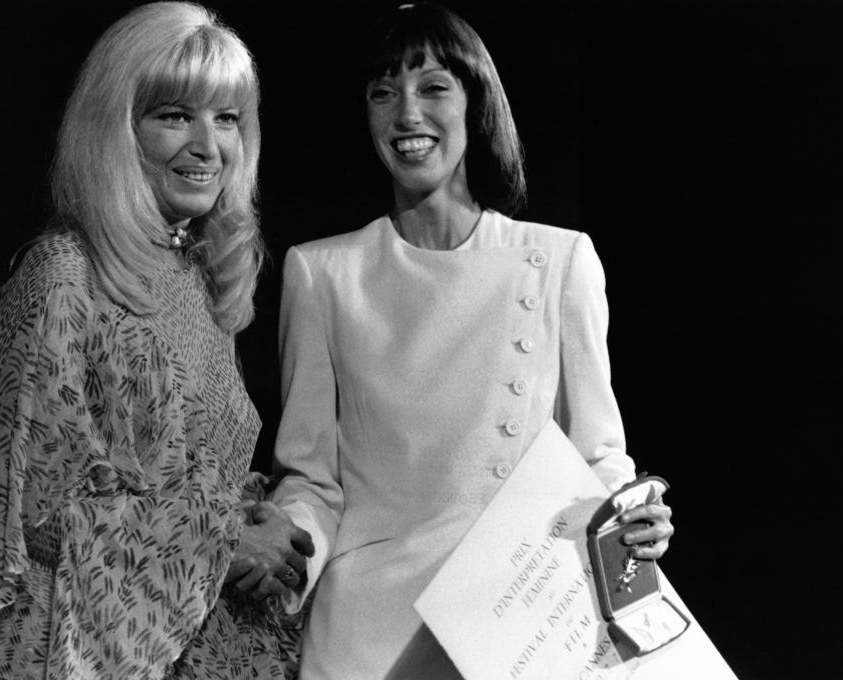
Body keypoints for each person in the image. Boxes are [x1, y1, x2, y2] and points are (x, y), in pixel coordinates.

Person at [270, 3, 675, 678]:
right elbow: (310, 480)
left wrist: (633, 522)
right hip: (371, 634)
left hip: (519, 620)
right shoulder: (321, 272)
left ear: (476, 102)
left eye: (433, 87)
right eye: (383, 93)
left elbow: (600, 459)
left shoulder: (559, 260)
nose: (407, 115)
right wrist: (284, 548)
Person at [0, 3, 312, 679]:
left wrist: (254, 520)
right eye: (175, 115)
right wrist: (224, 540)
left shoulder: (199, 282)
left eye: (228, 118)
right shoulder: (61, 274)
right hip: (63, 655)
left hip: (199, 644)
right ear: (117, 128)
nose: (208, 146)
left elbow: (187, 477)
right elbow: (32, 517)